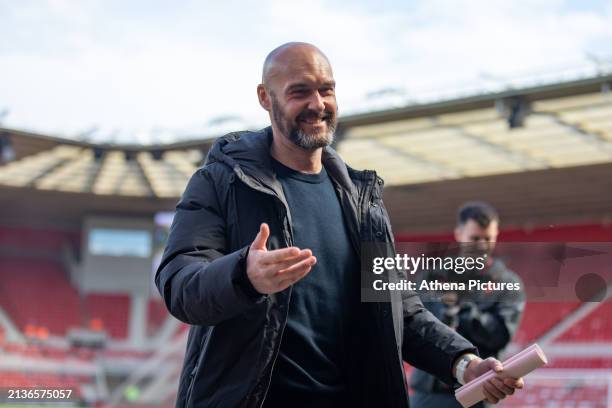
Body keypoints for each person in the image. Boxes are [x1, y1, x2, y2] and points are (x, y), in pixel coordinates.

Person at [155, 43, 524, 408]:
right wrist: (242, 275)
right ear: (265, 98)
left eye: (326, 90)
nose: (317, 104)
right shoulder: (221, 181)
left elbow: (398, 307)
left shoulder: (363, 201)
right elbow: (178, 282)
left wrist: (463, 363)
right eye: (300, 91)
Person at [410, 202, 526, 408]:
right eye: (474, 238)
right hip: (427, 392)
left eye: (487, 238)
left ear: (496, 234)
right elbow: (415, 325)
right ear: (459, 234)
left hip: (476, 394)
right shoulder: (431, 276)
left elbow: (500, 336)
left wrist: (463, 308)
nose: (481, 245)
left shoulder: (508, 283)